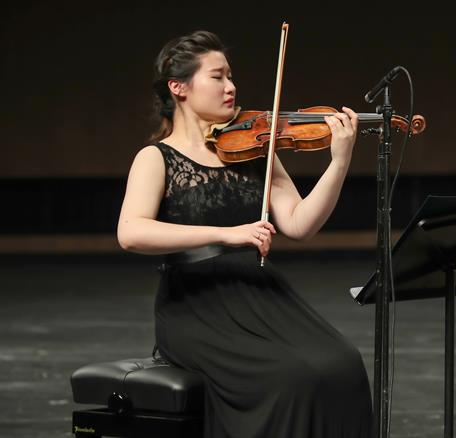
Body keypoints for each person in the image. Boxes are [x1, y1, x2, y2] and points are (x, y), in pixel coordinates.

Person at [117, 30, 373, 438]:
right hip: (196, 306)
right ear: (179, 87)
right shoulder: (156, 158)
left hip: (259, 294)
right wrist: (227, 234)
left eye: (231, 76)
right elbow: (131, 232)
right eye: (217, 76)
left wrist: (339, 163)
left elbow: (300, 224)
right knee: (290, 377)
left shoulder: (254, 149)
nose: (231, 86)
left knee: (343, 364)